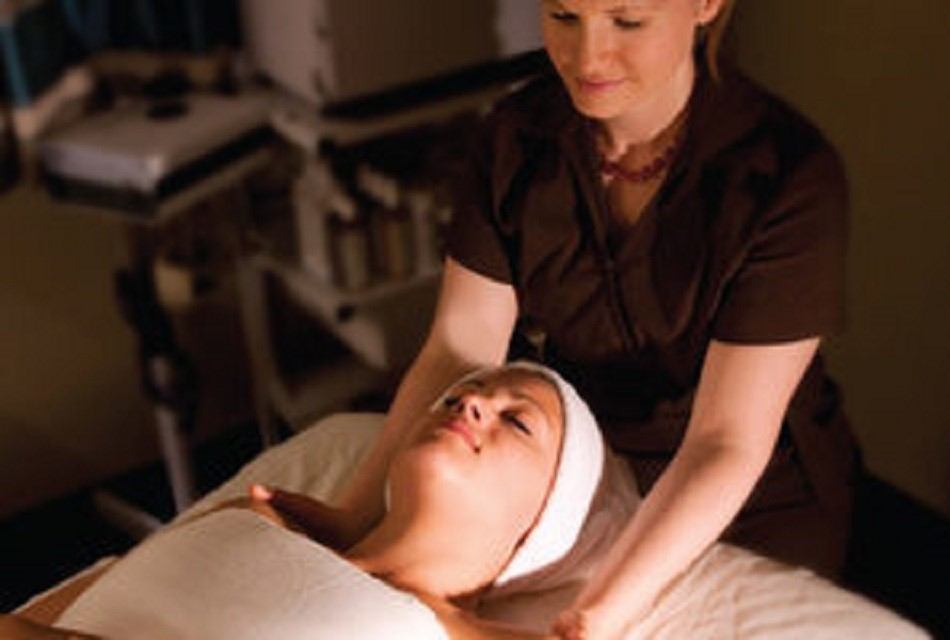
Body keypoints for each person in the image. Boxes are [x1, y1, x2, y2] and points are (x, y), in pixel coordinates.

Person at [310, 1, 862, 638]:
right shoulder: (514, 138)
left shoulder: (786, 177)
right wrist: (353, 519)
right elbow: (459, 353)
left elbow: (724, 441)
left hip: (756, 497)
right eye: (564, 15)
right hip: (582, 466)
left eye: (627, 22)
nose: (586, 56)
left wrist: (594, 621)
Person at [2, 363, 608, 640]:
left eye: (518, 423)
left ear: (544, 518)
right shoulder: (250, 515)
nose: (470, 405)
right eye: (461, 394)